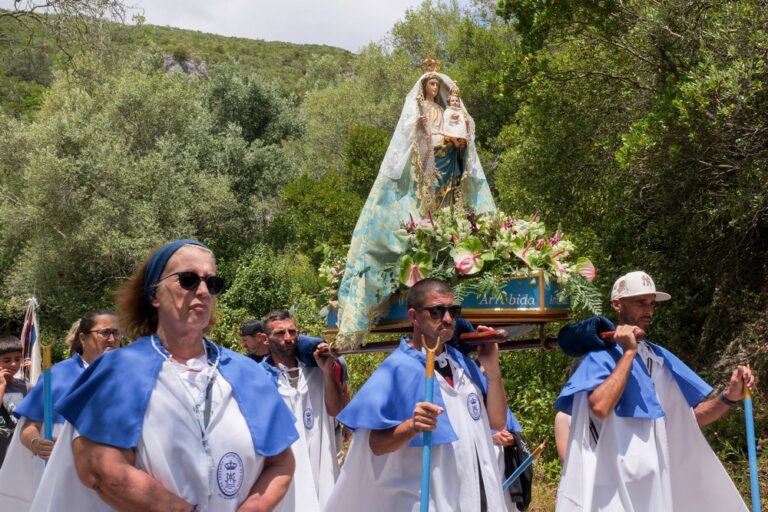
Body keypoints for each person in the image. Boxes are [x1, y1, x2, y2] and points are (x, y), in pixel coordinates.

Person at [29, 239, 299, 511]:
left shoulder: (246, 373)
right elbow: (98, 468)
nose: (203, 291)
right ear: (153, 295)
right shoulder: (120, 370)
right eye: (188, 279)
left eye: (212, 283)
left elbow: (282, 462)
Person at [555, 270, 755, 511]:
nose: (648, 310)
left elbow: (685, 421)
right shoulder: (601, 356)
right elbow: (599, 407)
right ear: (617, 304)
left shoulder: (659, 358)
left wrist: (729, 397)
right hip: (611, 491)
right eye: (640, 302)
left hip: (655, 488)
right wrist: (628, 353)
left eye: (652, 304)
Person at [334, 59, 496, 347]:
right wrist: (423, 130)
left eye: (438, 84)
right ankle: (426, 231)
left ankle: (442, 230)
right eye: (431, 84)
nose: (436, 88)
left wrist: (460, 131)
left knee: (449, 198)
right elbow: (411, 140)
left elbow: (461, 133)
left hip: (447, 157)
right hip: (428, 156)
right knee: (427, 199)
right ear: (424, 88)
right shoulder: (420, 111)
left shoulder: (447, 110)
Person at [326, 278, 509, 511]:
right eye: (436, 311)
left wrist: (492, 371)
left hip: (477, 496)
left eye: (453, 311)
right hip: (428, 498)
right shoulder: (397, 368)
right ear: (414, 316)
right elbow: (375, 445)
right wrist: (412, 426)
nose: (447, 319)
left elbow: (497, 421)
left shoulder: (463, 363)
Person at [0, 311, 120, 510]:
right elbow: (29, 428)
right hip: (64, 474)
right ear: (83, 338)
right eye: (105, 332)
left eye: (116, 333)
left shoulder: (129, 374)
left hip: (114, 474)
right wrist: (37, 443)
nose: (112, 339)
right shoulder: (56, 376)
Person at [259, 310, 345, 511]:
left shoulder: (316, 372)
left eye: (292, 332)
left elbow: (336, 410)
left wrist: (327, 371)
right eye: (280, 333)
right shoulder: (259, 379)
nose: (288, 338)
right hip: (285, 474)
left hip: (321, 466)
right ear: (265, 339)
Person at [0, 335, 28, 466]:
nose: (13, 364)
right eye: (6, 360)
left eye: (17, 359)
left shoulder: (26, 386)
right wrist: (2, 384)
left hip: (17, 451)